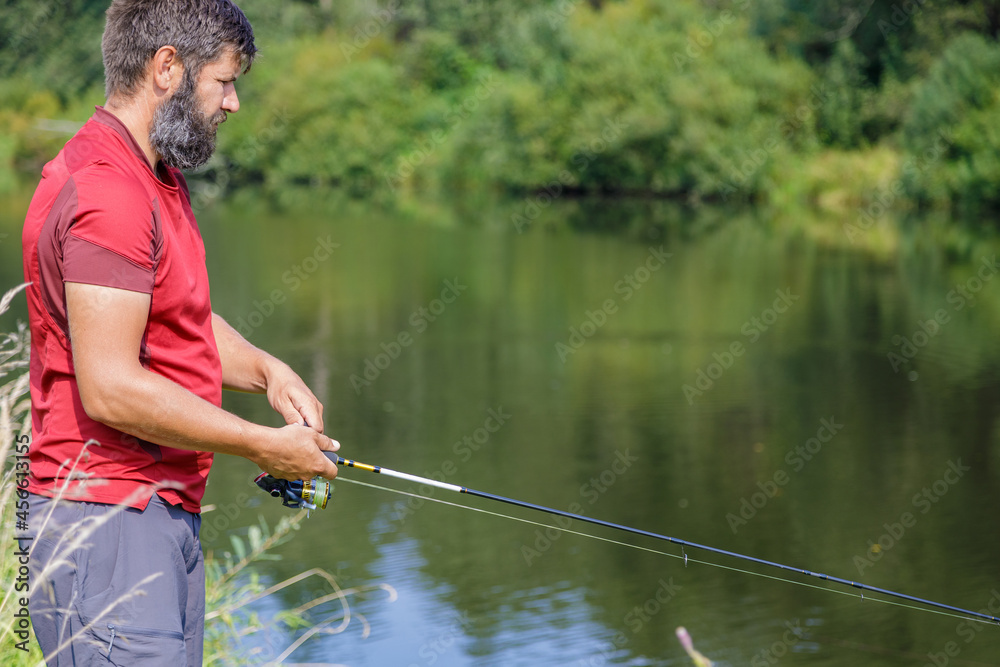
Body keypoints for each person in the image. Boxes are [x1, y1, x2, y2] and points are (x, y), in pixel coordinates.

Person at [20, 1, 340, 664]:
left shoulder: (152, 174)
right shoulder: (109, 192)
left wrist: (267, 371)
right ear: (167, 67)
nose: (233, 103)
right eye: (224, 81)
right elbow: (110, 388)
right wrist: (260, 445)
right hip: (107, 522)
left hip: (151, 517)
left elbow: (174, 318)